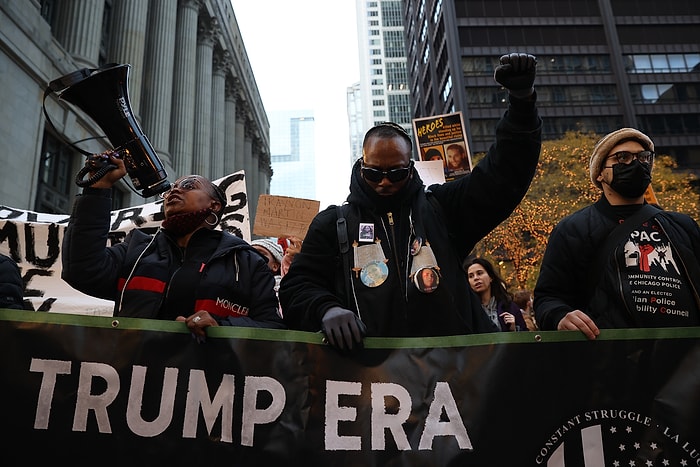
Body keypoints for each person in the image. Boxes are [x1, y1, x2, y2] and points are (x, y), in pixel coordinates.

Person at [279, 52, 541, 350]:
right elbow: (297, 287)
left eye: (397, 172)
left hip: (455, 374)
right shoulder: (333, 224)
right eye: (374, 173)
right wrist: (326, 308)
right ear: (360, 166)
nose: (385, 181)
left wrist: (521, 102)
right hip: (372, 379)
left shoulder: (442, 209)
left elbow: (502, 177)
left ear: (411, 167)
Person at [62, 152, 285, 341]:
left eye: (188, 186)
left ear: (214, 205)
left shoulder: (246, 262)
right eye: (170, 190)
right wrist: (97, 189)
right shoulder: (138, 248)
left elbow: (272, 327)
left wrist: (221, 325)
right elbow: (82, 271)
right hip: (132, 377)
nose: (174, 191)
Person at [534, 128, 700, 340]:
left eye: (643, 157)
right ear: (600, 173)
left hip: (686, 361)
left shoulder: (683, 226)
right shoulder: (572, 229)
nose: (636, 163)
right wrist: (559, 316)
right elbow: (548, 297)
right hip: (612, 361)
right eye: (622, 157)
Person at [465, 257, 528, 332]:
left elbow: (525, 337)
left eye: (479, 273)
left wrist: (514, 329)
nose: (476, 278)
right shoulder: (467, 310)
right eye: (471, 276)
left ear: (491, 277)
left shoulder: (509, 307)